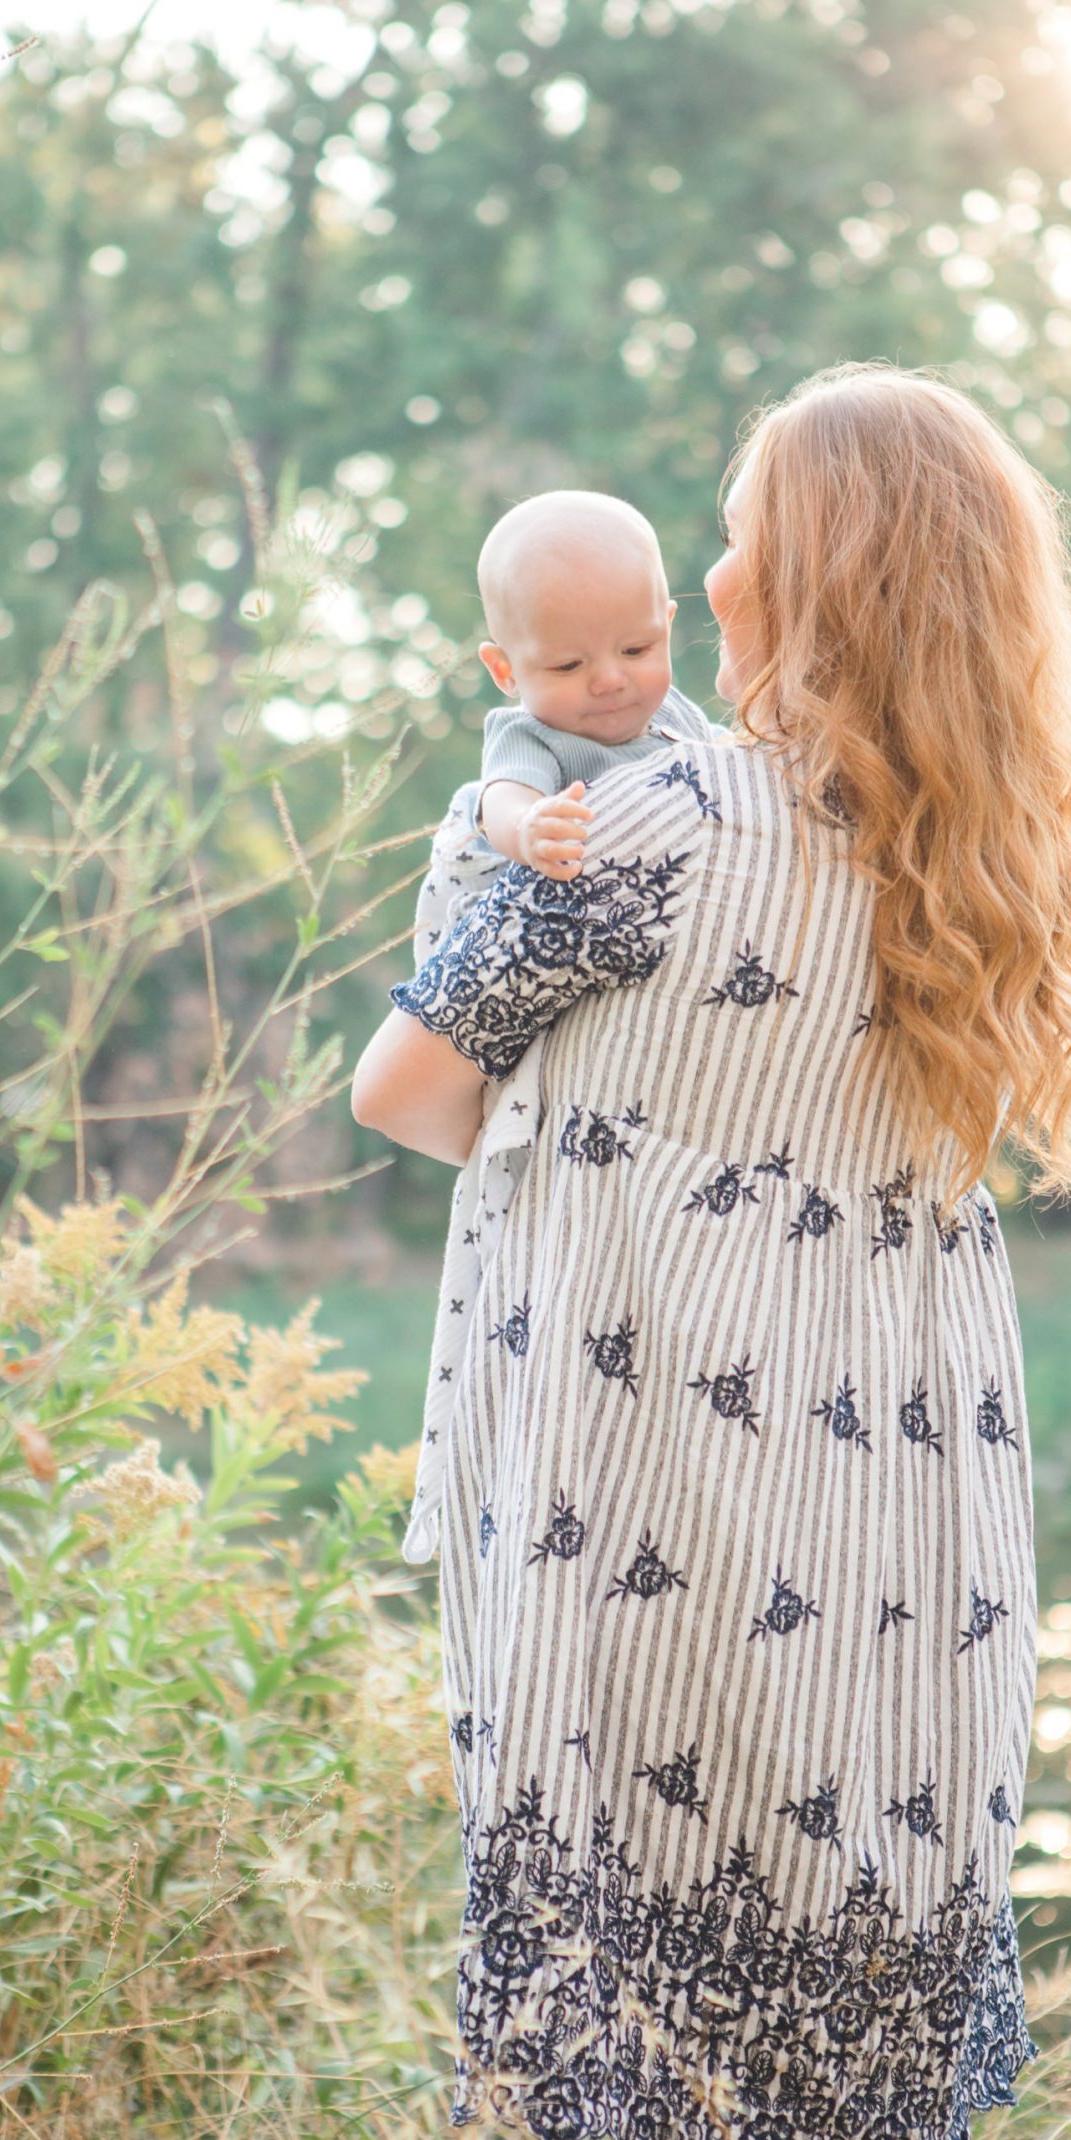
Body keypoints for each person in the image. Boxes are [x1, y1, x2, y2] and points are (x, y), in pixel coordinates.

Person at [352, 362, 1071, 2140]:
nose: (708, 573)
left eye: (737, 534)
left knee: (677, 2073)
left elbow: (403, 1090)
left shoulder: (644, 817)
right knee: (870, 2100)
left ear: (801, 575)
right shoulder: (989, 854)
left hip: (656, 1523)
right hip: (902, 1549)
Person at [401, 487, 725, 1565]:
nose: (608, 682)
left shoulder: (684, 727)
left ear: (669, 620)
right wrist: (529, 829)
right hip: (533, 954)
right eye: (567, 664)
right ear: (508, 671)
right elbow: (493, 799)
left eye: (635, 645)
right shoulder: (535, 742)